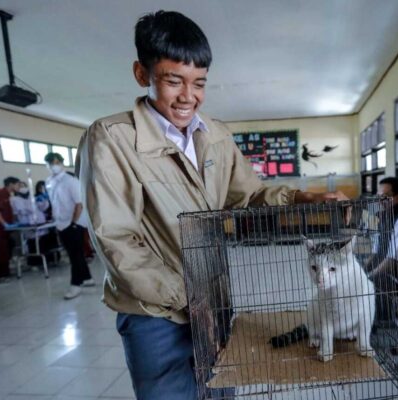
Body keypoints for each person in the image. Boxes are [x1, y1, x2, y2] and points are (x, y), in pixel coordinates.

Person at [77, 11, 347, 400]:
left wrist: (300, 198)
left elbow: (249, 195)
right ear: (142, 74)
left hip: (214, 302)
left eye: (199, 83)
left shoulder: (216, 134)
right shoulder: (111, 139)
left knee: (221, 391)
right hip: (155, 315)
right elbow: (116, 239)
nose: (189, 96)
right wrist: (186, 297)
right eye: (174, 81)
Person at [44, 152, 94, 299]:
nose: (54, 166)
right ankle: (87, 278)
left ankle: (76, 284)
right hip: (60, 222)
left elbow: (79, 204)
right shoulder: (49, 181)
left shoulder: (71, 181)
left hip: (73, 223)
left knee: (75, 255)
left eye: (56, 162)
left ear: (61, 163)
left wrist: (73, 223)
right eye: (50, 163)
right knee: (74, 253)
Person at [0, 176, 20, 282]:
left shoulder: (8, 196)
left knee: (6, 249)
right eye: (17, 184)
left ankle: (4, 273)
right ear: (10, 184)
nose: (19, 187)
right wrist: (4, 224)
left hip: (4, 230)